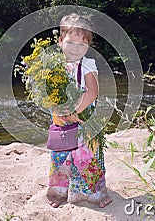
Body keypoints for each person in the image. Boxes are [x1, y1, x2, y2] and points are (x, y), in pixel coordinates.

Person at [46, 13, 112, 208]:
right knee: (61, 155)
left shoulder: (88, 65)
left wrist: (76, 111)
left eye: (82, 44)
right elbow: (50, 92)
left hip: (84, 118)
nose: (76, 48)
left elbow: (92, 92)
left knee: (86, 157)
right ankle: (61, 192)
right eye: (71, 43)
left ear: (88, 46)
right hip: (62, 118)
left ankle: (97, 194)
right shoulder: (56, 66)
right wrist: (58, 109)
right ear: (60, 42)